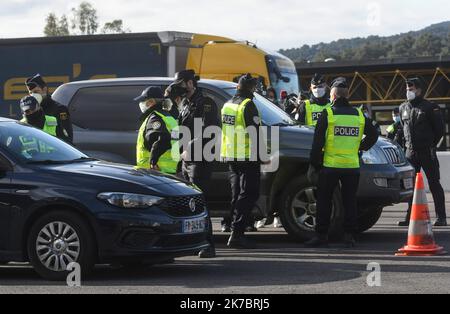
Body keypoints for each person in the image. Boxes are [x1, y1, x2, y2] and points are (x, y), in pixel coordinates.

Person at [305, 77, 378, 248]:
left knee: (324, 201)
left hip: (330, 166)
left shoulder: (328, 114)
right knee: (349, 202)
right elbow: (374, 134)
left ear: (334, 96)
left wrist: (314, 164)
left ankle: (321, 235)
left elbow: (317, 143)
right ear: (347, 95)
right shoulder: (359, 115)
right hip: (352, 167)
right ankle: (349, 236)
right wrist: (360, 147)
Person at [175, 69, 219, 258]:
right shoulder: (185, 103)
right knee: (188, 204)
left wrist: (189, 149)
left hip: (200, 159)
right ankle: (192, 243)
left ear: (190, 83)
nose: (179, 87)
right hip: (186, 160)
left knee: (200, 203)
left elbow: (210, 131)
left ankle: (208, 244)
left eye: (180, 84)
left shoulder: (206, 102)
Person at [221, 73, 267, 249]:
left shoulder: (227, 105)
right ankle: (237, 234)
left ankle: (234, 228)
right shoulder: (248, 105)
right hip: (247, 157)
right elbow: (254, 133)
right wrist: (262, 155)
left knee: (237, 194)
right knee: (248, 194)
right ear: (250, 88)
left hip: (231, 155)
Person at [398, 77, 447, 227]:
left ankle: (441, 217)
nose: (408, 92)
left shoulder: (430, 107)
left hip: (427, 151)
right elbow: (403, 127)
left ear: (419, 90)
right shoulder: (403, 108)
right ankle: (410, 217)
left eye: (411, 89)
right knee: (410, 186)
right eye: (407, 89)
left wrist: (430, 144)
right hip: (410, 153)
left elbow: (439, 130)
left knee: (434, 183)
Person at [134, 86, 180, 174]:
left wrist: (153, 162)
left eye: (144, 101)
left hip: (157, 171)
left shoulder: (155, 118)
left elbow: (164, 138)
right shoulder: (168, 116)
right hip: (171, 170)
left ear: (151, 102)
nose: (141, 104)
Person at [25, 74, 73, 144]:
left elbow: (67, 139)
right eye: (30, 93)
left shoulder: (60, 109)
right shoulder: (30, 111)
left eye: (36, 92)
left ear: (44, 89)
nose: (33, 95)